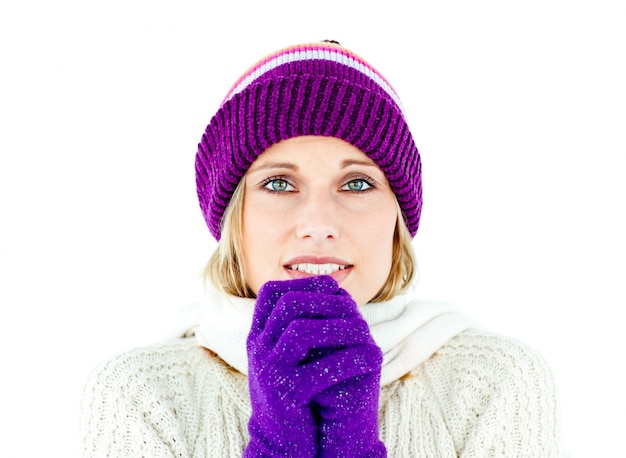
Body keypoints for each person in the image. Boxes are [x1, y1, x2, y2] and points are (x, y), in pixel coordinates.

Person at [80, 40, 563, 457]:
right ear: (234, 218)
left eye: (356, 183)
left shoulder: (497, 383)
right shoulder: (142, 394)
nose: (318, 224)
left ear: (396, 219)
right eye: (278, 183)